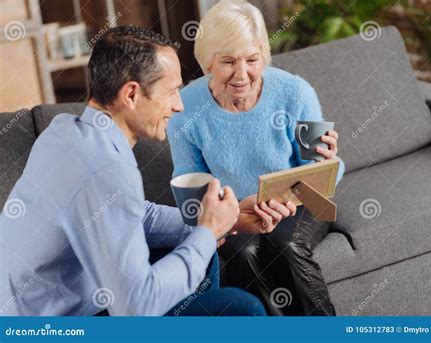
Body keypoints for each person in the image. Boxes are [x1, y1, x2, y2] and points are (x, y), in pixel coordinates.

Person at [0, 26, 267, 316]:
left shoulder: (64, 132)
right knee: (243, 308)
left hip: (30, 306)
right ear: (131, 94)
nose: (179, 106)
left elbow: (135, 214)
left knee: (201, 249)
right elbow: (134, 308)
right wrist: (206, 232)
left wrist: (229, 218)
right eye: (172, 91)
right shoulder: (106, 169)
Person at [167, 0, 345, 316]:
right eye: (227, 62)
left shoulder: (295, 92)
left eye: (252, 59)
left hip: (299, 202)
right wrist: (225, 212)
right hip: (238, 210)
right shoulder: (185, 110)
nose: (242, 74)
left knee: (286, 246)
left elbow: (324, 174)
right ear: (207, 62)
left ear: (263, 55)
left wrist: (324, 161)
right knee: (246, 252)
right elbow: (190, 189)